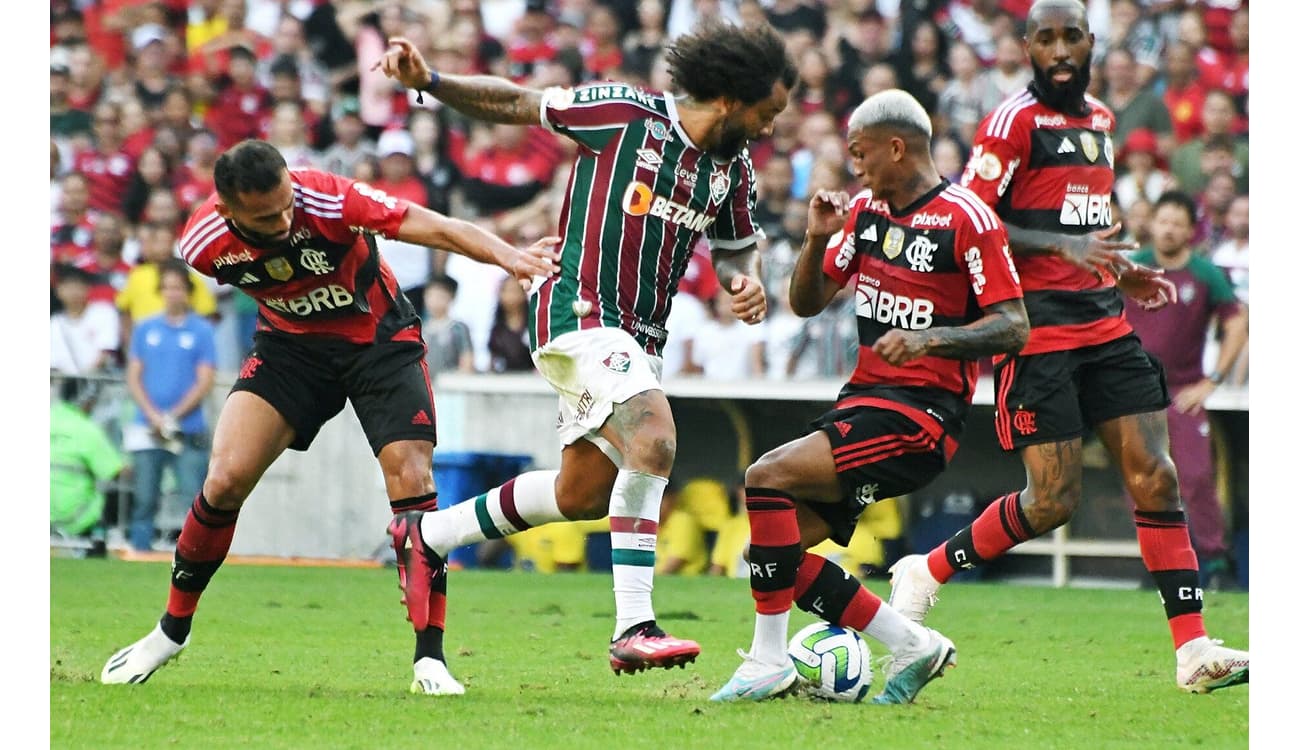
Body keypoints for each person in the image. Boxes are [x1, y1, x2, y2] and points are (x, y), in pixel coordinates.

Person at [374, 20, 796, 682]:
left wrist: (745, 280)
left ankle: (427, 535)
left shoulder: (731, 169)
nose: (769, 129)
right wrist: (431, 81)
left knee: (581, 496)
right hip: (578, 312)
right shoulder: (627, 116)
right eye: (766, 113)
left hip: (639, 339)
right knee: (653, 437)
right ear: (728, 99)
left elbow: (739, 245)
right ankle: (633, 627)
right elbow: (520, 102)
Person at [100, 139, 559, 693]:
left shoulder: (328, 200)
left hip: (378, 342)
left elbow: (430, 224)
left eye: (286, 202)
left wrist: (509, 257)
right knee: (223, 480)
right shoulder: (202, 244)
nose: (285, 218)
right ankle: (171, 631)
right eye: (267, 217)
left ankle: (429, 659)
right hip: (290, 352)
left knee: (413, 484)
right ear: (228, 211)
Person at [887, 0, 1249, 695]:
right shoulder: (1012, 123)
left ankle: (1193, 648)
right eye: (1045, 37)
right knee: (1051, 501)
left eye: (1070, 36)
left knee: (1157, 475)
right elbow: (970, 217)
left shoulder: (1103, 123)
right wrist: (1062, 246)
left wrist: (1121, 266)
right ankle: (924, 570)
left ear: (1090, 43)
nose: (1059, 49)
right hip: (1037, 332)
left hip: (1105, 324)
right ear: (1027, 46)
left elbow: (1083, 221)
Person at [710, 89, 1029, 704]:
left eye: (860, 156)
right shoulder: (861, 215)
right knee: (771, 551)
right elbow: (805, 303)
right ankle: (913, 644)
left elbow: (1013, 324)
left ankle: (766, 661)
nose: (854, 169)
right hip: (862, 403)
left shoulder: (968, 218)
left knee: (766, 475)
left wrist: (932, 338)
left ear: (896, 147)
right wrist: (814, 237)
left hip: (921, 417)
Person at [1125, 191, 1247, 586]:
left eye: (1178, 222)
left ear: (1191, 231)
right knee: (1142, 479)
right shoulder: (1133, 269)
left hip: (1183, 391)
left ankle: (1215, 561)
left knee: (1195, 477)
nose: (1169, 228)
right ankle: (1157, 562)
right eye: (1163, 220)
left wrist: (1211, 380)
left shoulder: (1205, 274)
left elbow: (1237, 324)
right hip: (1136, 393)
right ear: (1152, 224)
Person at [122, 260, 218, 552]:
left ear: (187, 292)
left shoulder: (201, 330)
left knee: (193, 494)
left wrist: (173, 415)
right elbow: (134, 375)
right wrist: (153, 415)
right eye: (167, 288)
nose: (172, 294)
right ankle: (140, 550)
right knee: (145, 495)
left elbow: (205, 380)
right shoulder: (146, 328)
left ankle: (195, 555)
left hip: (186, 427)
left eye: (177, 288)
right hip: (149, 426)